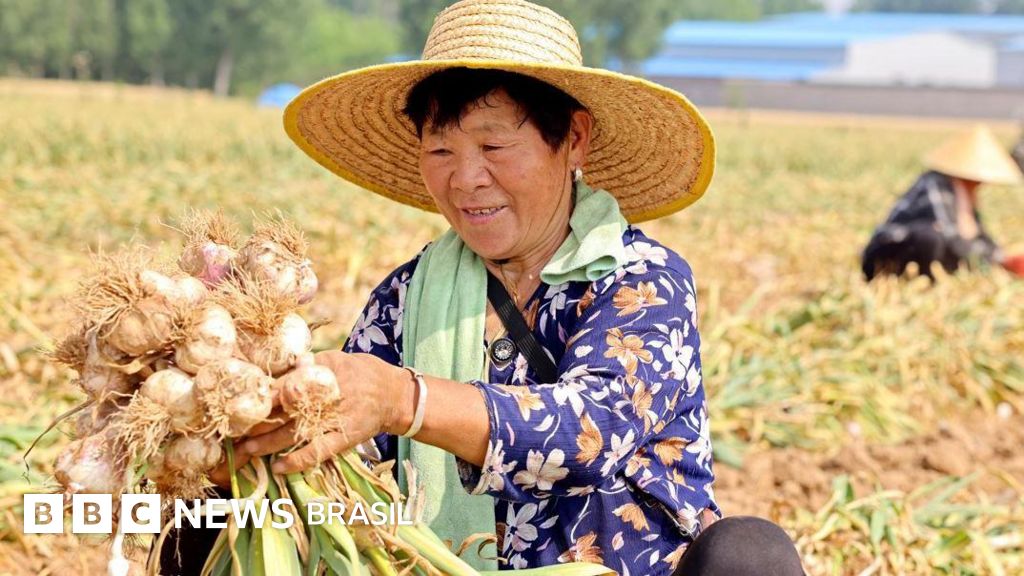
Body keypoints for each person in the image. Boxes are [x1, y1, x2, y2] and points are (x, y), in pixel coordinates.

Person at [160, 1, 806, 574]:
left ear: (573, 139)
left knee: (747, 553)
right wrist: (243, 430)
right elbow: (349, 449)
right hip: (438, 567)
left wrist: (405, 400)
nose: (466, 179)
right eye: (440, 152)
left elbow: (591, 429)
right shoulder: (409, 294)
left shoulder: (642, 279)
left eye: (494, 146)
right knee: (209, 515)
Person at [862, 125, 1024, 281]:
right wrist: (991, 261)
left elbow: (977, 234)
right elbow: (952, 235)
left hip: (926, 247)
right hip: (887, 251)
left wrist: (999, 256)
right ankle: (920, 278)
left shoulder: (964, 194)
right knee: (931, 237)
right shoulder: (936, 183)